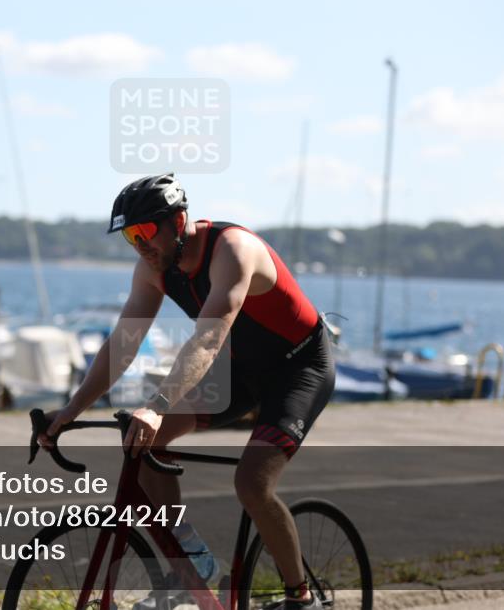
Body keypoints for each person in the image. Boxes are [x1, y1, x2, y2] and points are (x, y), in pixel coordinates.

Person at [40, 173, 335, 609]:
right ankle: (190, 567)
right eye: (129, 238)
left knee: (252, 484)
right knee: (144, 443)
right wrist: (71, 408)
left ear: (177, 222)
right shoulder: (153, 268)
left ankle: (300, 595)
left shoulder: (233, 251)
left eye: (144, 233)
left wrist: (157, 404)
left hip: (298, 368)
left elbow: (208, 340)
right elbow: (123, 344)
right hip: (240, 369)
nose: (139, 246)